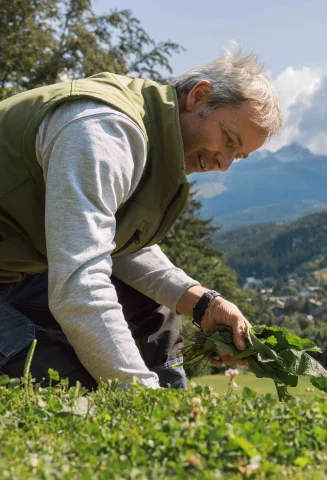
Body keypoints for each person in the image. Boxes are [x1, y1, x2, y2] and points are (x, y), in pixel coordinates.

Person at [0, 45, 282, 390]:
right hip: (18, 278)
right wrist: (138, 394)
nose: (223, 164)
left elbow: (111, 239)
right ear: (199, 96)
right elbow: (80, 283)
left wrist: (203, 303)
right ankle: (155, 413)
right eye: (227, 139)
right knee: (70, 387)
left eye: (237, 155)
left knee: (155, 306)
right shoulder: (102, 133)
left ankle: (176, 413)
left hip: (15, 275)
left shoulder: (152, 137)